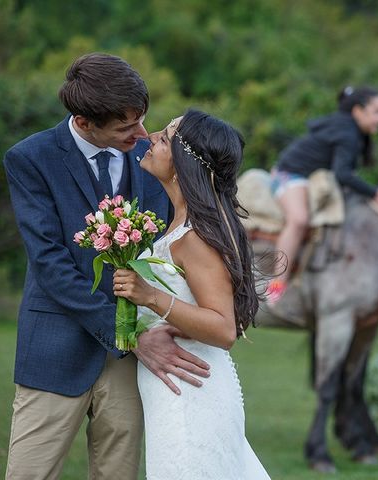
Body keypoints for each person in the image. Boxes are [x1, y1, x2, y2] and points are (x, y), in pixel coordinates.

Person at [3, 53, 209, 480]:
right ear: (83, 122)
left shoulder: (153, 160)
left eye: (142, 120)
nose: (142, 133)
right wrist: (129, 336)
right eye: (126, 127)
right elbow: (50, 264)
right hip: (56, 350)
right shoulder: (30, 159)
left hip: (131, 363)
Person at [113, 110, 270, 479]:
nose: (150, 136)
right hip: (177, 388)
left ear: (185, 162)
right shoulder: (181, 225)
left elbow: (223, 329)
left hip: (190, 396)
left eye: (164, 138)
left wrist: (150, 296)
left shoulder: (195, 237)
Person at [267, 86, 378, 303]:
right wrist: (375, 193)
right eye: (377, 112)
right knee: (299, 220)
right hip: (289, 175)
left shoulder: (351, 131)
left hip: (309, 178)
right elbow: (343, 174)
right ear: (358, 111)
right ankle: (277, 283)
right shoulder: (348, 133)